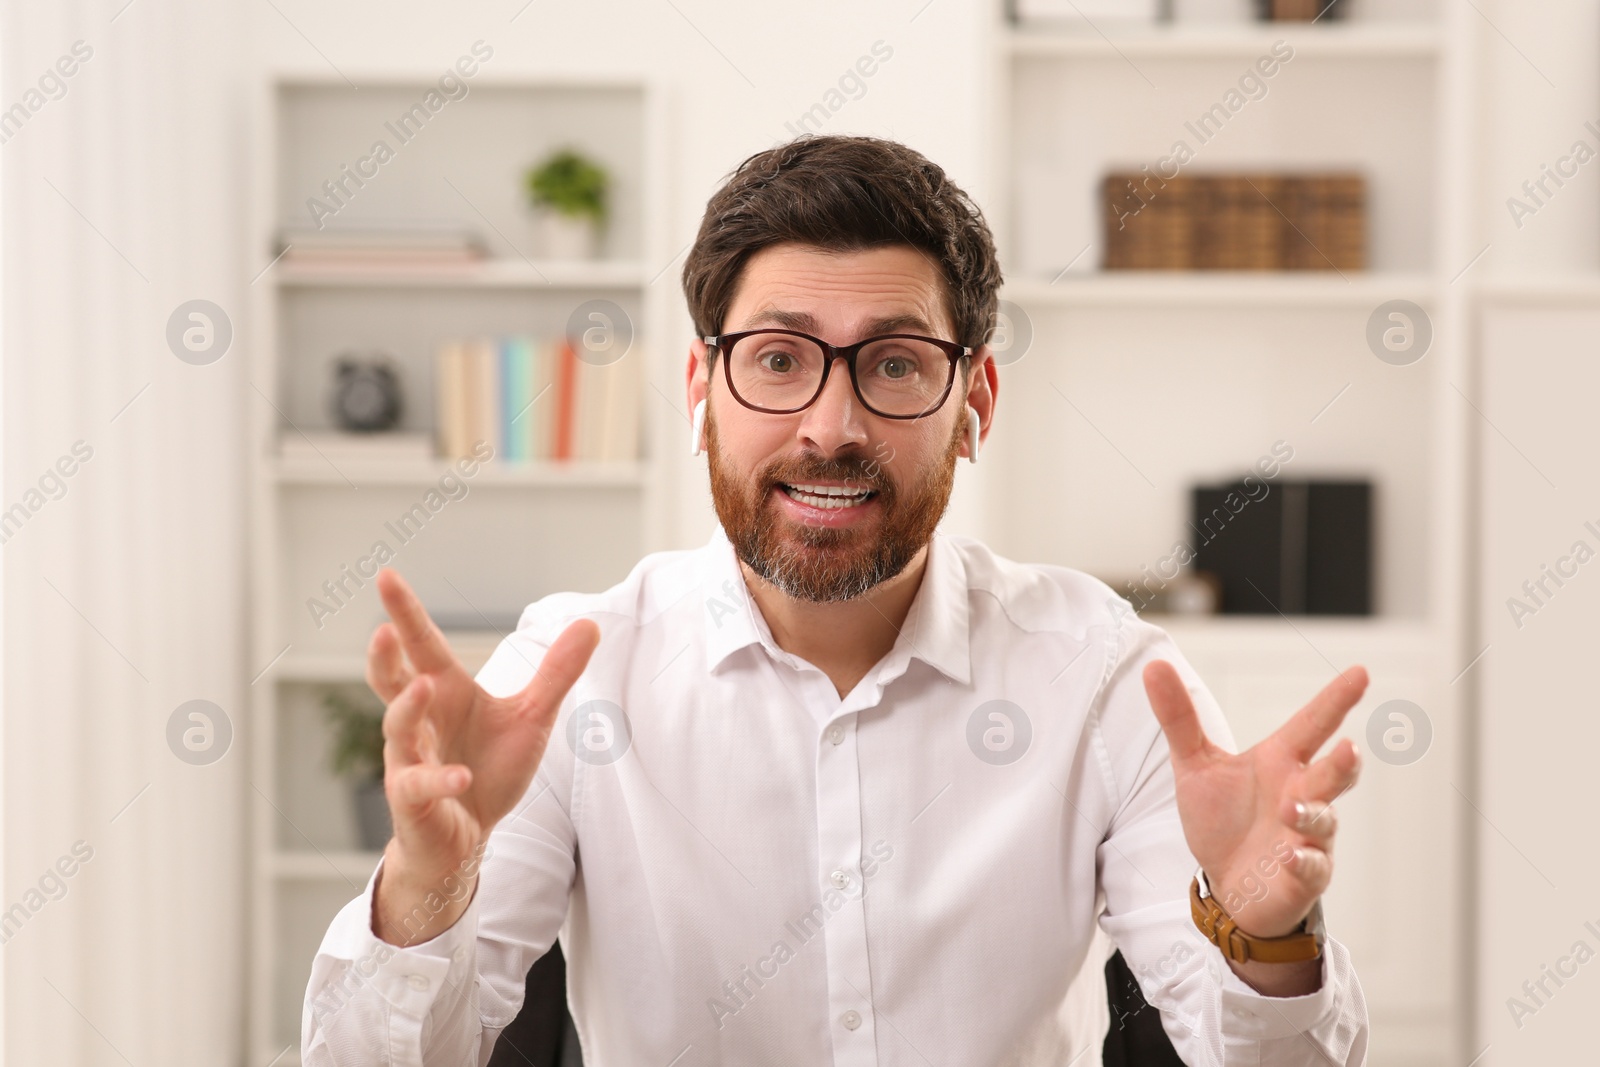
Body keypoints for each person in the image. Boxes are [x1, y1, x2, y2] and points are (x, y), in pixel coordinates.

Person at [302, 134, 1369, 1065]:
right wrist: (427, 889)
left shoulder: (1106, 675)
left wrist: (1266, 935)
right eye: (778, 358)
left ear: (973, 403)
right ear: (699, 392)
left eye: (895, 365)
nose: (830, 425)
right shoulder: (575, 671)